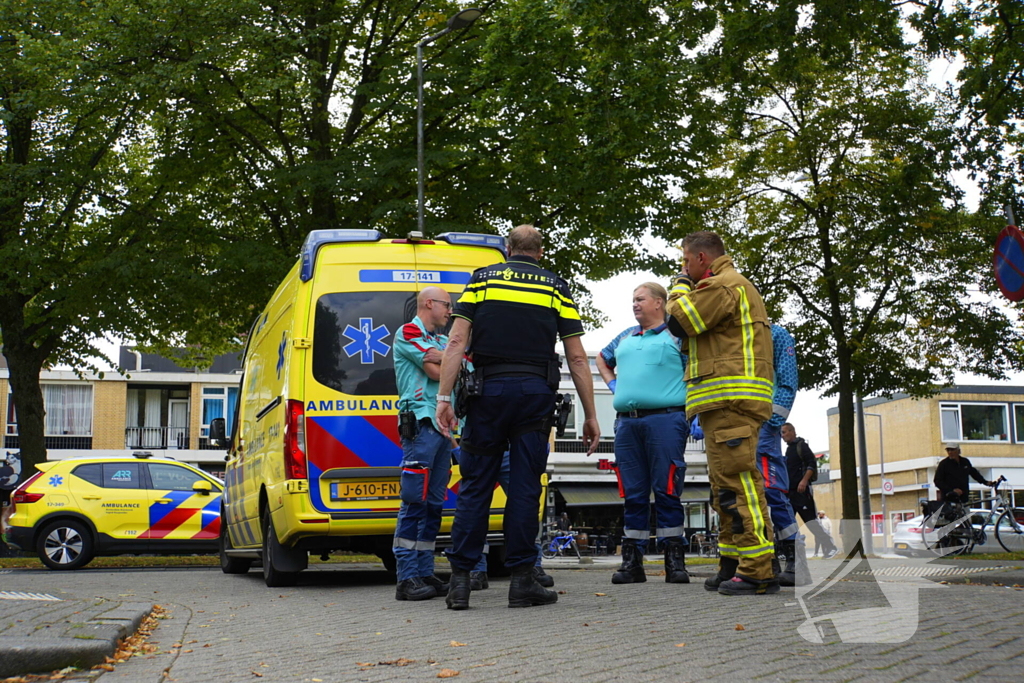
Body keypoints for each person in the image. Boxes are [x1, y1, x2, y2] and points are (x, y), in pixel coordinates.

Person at [436, 224, 600, 610]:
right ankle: (523, 581)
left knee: (476, 486)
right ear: (540, 252)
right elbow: (577, 357)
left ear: (507, 249)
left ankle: (460, 582)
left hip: (486, 394)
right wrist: (591, 414)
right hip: (533, 397)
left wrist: (444, 397)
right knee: (525, 488)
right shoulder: (556, 287)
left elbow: (457, 340)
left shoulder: (482, 281)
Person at [664, 231, 778, 596]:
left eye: (685, 262)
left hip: (731, 402)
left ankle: (758, 570)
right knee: (724, 489)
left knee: (740, 485)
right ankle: (731, 562)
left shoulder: (722, 285)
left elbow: (680, 321)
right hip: (725, 403)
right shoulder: (729, 287)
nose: (683, 268)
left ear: (701, 258)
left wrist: (679, 287)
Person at [596, 282, 690, 584]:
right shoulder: (625, 336)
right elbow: (601, 357)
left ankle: (674, 562)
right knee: (632, 493)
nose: (634, 304)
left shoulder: (677, 336)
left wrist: (694, 412)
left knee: (667, 489)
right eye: (633, 299)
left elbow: (695, 372)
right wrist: (613, 385)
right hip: (627, 423)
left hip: (665, 421)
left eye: (640, 299)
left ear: (659, 303)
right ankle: (632, 563)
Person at [391, 287, 454, 601]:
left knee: (434, 504)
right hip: (419, 422)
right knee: (415, 500)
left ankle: (424, 570)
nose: (450, 310)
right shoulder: (409, 331)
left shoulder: (442, 341)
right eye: (446, 304)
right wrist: (450, 364)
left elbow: (455, 367)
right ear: (429, 303)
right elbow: (434, 371)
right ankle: (406, 578)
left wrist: (449, 360)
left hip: (442, 428)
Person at [756, 324, 806, 586]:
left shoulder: (774, 334)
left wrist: (773, 419)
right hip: (735, 425)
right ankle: (763, 561)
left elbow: (787, 380)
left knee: (772, 491)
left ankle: (795, 560)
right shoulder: (728, 333)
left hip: (763, 426)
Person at [781, 423, 838, 559]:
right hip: (790, 493)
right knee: (786, 522)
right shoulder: (789, 450)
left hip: (802, 492)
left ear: (791, 431)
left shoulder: (802, 446)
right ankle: (786, 551)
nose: (782, 436)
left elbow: (811, 464)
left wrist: (804, 481)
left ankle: (830, 547)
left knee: (810, 521)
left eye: (783, 432)